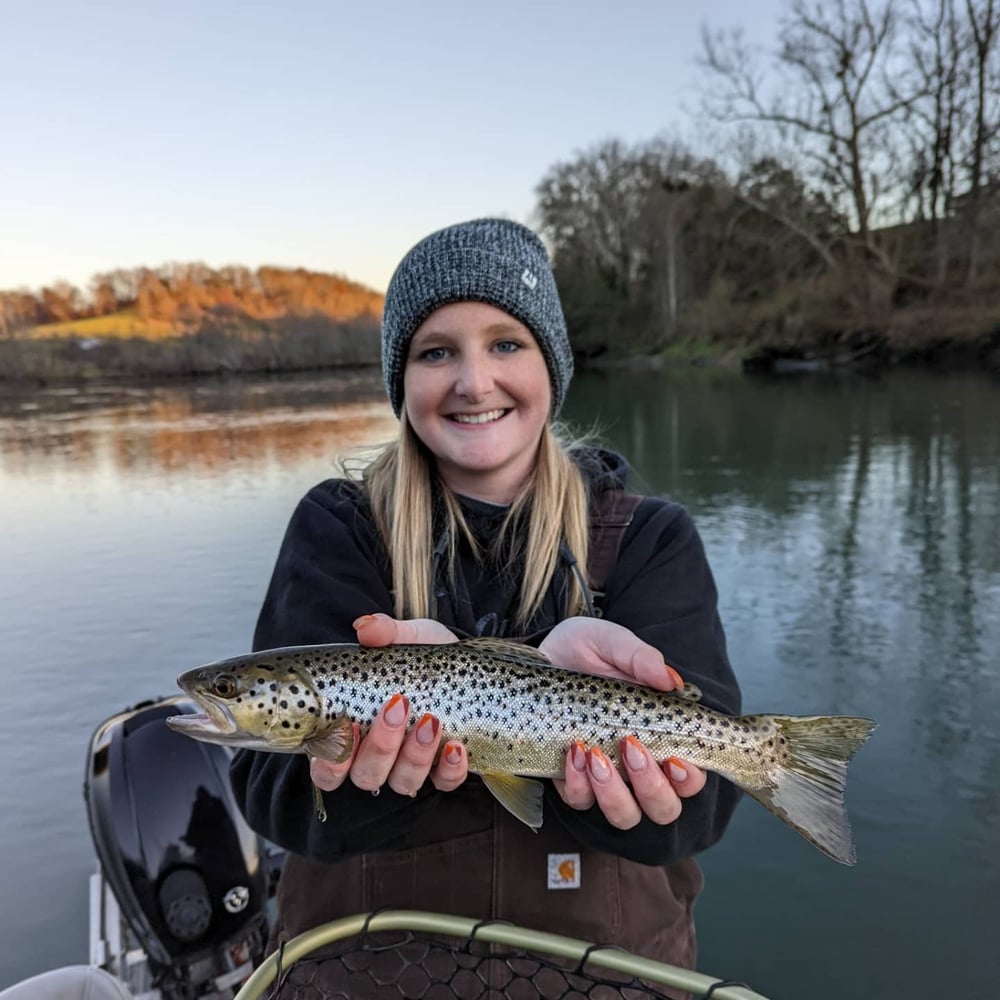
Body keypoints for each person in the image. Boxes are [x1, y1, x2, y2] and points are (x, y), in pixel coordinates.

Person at [230, 218, 742, 994]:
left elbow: (707, 811)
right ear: (402, 379)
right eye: (437, 351)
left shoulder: (650, 540)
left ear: (551, 366)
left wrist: (621, 794)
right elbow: (268, 794)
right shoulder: (338, 529)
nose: (473, 381)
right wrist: (369, 780)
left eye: (507, 343)